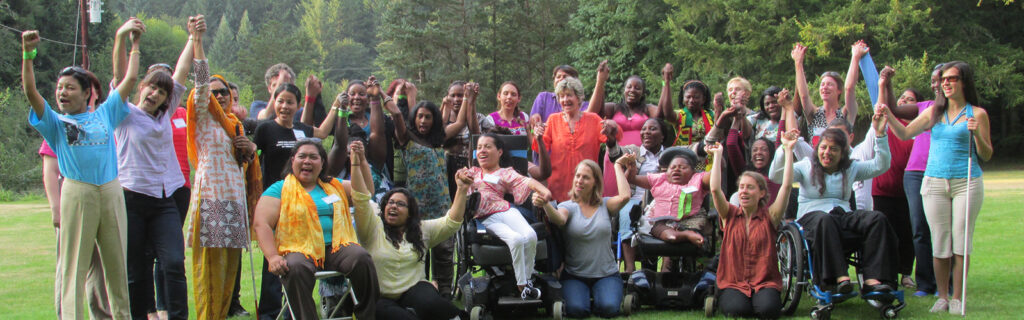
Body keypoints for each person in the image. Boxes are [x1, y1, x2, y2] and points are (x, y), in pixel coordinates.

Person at [22, 18, 144, 318]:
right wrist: (27, 55)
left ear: (87, 92)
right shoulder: (55, 123)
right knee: (73, 265)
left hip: (111, 190)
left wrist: (134, 45)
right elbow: (30, 93)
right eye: (60, 88)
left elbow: (128, 80)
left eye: (70, 87)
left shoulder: (105, 114)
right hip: (77, 192)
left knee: (117, 266)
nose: (62, 92)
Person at [878, 61, 993, 314]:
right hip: (934, 181)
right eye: (944, 80)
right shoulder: (934, 112)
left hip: (967, 182)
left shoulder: (978, 114)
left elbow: (986, 154)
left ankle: (957, 297)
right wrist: (889, 117)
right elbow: (906, 134)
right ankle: (941, 296)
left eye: (952, 79)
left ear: (964, 82)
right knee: (940, 242)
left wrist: (976, 135)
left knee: (961, 242)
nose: (946, 83)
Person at [111, 14, 199, 319]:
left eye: (161, 92)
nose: (155, 94)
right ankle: (142, 315)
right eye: (151, 88)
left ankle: (177, 316)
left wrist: (191, 37)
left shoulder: (164, 115)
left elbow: (182, 71)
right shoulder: (122, 112)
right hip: (131, 197)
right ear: (141, 88)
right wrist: (125, 39)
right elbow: (124, 75)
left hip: (165, 199)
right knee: (136, 268)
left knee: (173, 262)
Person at [768, 110, 899, 296]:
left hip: (841, 216)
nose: (827, 153)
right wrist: (784, 148)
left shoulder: (851, 168)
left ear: (843, 153)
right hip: (812, 221)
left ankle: (873, 280)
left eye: (833, 149)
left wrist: (880, 136)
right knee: (825, 219)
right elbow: (775, 175)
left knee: (877, 218)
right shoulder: (806, 166)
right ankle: (837, 278)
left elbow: (881, 165)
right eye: (823, 148)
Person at [184, 23, 262, 319]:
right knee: (209, 270)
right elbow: (202, 84)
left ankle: (222, 314)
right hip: (212, 198)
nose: (218, 96)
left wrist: (249, 150)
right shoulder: (203, 118)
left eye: (224, 92)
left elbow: (245, 164)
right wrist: (198, 41)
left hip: (234, 200)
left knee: (229, 270)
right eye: (214, 92)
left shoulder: (236, 126)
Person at [253, 140, 380, 320]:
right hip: (299, 248)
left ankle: (368, 316)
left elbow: (366, 192)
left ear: (322, 163)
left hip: (336, 246)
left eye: (313, 157)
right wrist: (273, 257)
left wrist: (360, 161)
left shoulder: (334, 185)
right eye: (302, 156)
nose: (307, 161)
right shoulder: (279, 189)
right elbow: (262, 224)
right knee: (294, 268)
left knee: (361, 258)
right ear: (292, 160)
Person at [349, 139, 470, 320]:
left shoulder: (421, 230)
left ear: (410, 213)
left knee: (435, 304)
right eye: (390, 203)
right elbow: (360, 198)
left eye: (400, 204)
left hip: (414, 291)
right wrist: (356, 163)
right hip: (380, 298)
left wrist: (461, 189)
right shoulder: (373, 227)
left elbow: (451, 222)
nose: (394, 207)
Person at [378, 79, 471, 298]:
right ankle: (417, 293)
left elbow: (458, 123)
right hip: (415, 209)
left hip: (441, 207)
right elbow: (398, 115)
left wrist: (466, 97)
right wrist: (382, 92)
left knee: (445, 254)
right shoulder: (407, 138)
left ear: (434, 120)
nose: (423, 120)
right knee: (416, 253)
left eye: (428, 117)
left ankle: (445, 295)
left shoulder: (439, 139)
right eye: (419, 116)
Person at [708, 129, 797, 320]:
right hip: (733, 281)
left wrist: (788, 150)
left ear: (761, 193)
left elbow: (787, 186)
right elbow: (715, 189)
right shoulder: (729, 214)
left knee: (767, 311)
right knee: (737, 311)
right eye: (741, 187)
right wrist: (717, 156)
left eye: (750, 187)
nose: (744, 192)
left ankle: (762, 300)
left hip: (765, 282)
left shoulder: (770, 216)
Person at [536, 158, 630, 318]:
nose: (580, 180)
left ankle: (603, 296)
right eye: (578, 176)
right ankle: (586, 298)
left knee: (609, 309)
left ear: (595, 182)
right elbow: (558, 219)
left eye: (585, 177)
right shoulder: (567, 206)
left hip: (606, 274)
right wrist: (546, 204)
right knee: (576, 310)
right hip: (575, 275)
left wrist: (618, 166)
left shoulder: (605, 206)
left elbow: (625, 197)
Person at [884, 63, 947, 297]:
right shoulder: (925, 107)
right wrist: (888, 84)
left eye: (940, 79)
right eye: (933, 80)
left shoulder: (958, 111)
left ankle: (947, 281)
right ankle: (926, 283)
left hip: (941, 172)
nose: (935, 84)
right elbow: (894, 109)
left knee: (942, 229)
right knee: (919, 228)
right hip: (915, 173)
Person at [467, 133, 554, 299]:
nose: (482, 150)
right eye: (479, 147)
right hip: (486, 218)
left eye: (487, 146)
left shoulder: (505, 172)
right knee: (515, 239)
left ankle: (527, 280)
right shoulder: (472, 173)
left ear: (499, 152)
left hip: (506, 210)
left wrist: (545, 191)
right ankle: (522, 286)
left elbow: (526, 181)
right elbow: (463, 192)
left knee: (530, 235)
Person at [604, 118, 672, 280]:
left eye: (652, 129)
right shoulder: (633, 151)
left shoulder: (670, 155)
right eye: (644, 129)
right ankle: (630, 268)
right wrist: (611, 140)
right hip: (634, 198)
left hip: (661, 200)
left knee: (672, 217)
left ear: (662, 136)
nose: (646, 132)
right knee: (627, 212)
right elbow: (616, 155)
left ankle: (666, 269)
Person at [536, 76, 620, 203]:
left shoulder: (593, 119)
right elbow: (539, 147)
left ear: (579, 98)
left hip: (587, 188)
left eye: (569, 95)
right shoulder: (553, 120)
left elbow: (615, 136)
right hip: (558, 189)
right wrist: (536, 134)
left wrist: (612, 127)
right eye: (561, 96)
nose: (565, 100)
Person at [871, 66, 919, 290]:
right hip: (883, 188)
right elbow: (881, 108)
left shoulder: (919, 129)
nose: (903, 101)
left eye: (910, 100)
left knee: (907, 233)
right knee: (883, 233)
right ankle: (885, 273)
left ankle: (906, 273)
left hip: (908, 190)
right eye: (902, 98)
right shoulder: (886, 122)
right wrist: (883, 84)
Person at [589, 60, 660, 198]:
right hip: (614, 158)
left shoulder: (648, 109)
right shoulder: (614, 108)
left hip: (639, 160)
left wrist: (665, 83)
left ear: (643, 92)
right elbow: (593, 113)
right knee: (613, 194)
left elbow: (663, 114)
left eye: (637, 88)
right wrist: (601, 81)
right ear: (624, 90)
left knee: (638, 195)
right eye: (629, 87)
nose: (632, 90)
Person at [625, 146, 713, 248]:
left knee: (691, 230)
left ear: (693, 172)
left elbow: (715, 175)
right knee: (671, 237)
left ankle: (684, 237)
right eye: (672, 167)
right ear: (666, 171)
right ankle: (686, 235)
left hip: (689, 221)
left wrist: (716, 156)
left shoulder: (698, 179)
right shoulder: (659, 179)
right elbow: (631, 179)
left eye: (683, 167)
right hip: (661, 222)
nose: (677, 169)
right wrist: (631, 167)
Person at [791, 41, 867, 144]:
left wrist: (855, 57)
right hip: (815, 159)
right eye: (822, 84)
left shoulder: (846, 113)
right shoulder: (814, 114)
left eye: (830, 84)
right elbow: (804, 96)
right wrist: (798, 63)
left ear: (839, 90)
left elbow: (849, 89)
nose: (824, 87)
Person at [658, 71, 716, 171]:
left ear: (703, 99)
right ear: (683, 98)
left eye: (696, 97)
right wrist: (666, 82)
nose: (691, 100)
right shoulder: (680, 115)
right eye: (688, 97)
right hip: (685, 161)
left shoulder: (711, 115)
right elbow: (667, 113)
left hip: (708, 163)